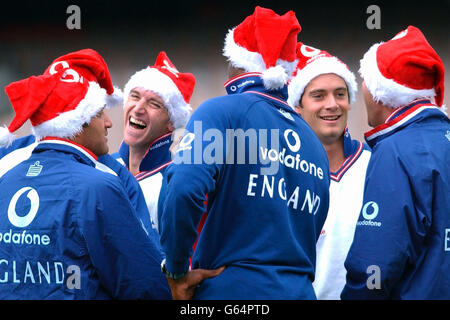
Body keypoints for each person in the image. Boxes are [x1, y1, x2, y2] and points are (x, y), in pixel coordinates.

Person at [159, 6, 330, 300]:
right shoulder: (313, 142)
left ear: (237, 60)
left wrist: (176, 270)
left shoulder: (220, 112)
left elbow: (184, 188)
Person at [0, 49, 171, 299]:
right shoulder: (103, 182)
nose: (109, 123)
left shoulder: (7, 174)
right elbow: (145, 283)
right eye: (100, 113)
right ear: (79, 120)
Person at [341, 26, 450, 299]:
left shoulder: (395, 150)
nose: (362, 87)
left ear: (381, 92)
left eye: (365, 79)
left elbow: (374, 265)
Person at [287, 43, 372, 300]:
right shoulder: (280, 173)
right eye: (319, 95)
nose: (332, 104)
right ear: (297, 106)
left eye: (340, 94)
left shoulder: (375, 165)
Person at [112, 51, 195, 233]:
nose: (139, 108)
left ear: (171, 123)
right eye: (134, 96)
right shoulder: (102, 167)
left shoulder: (176, 182)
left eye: (154, 104)